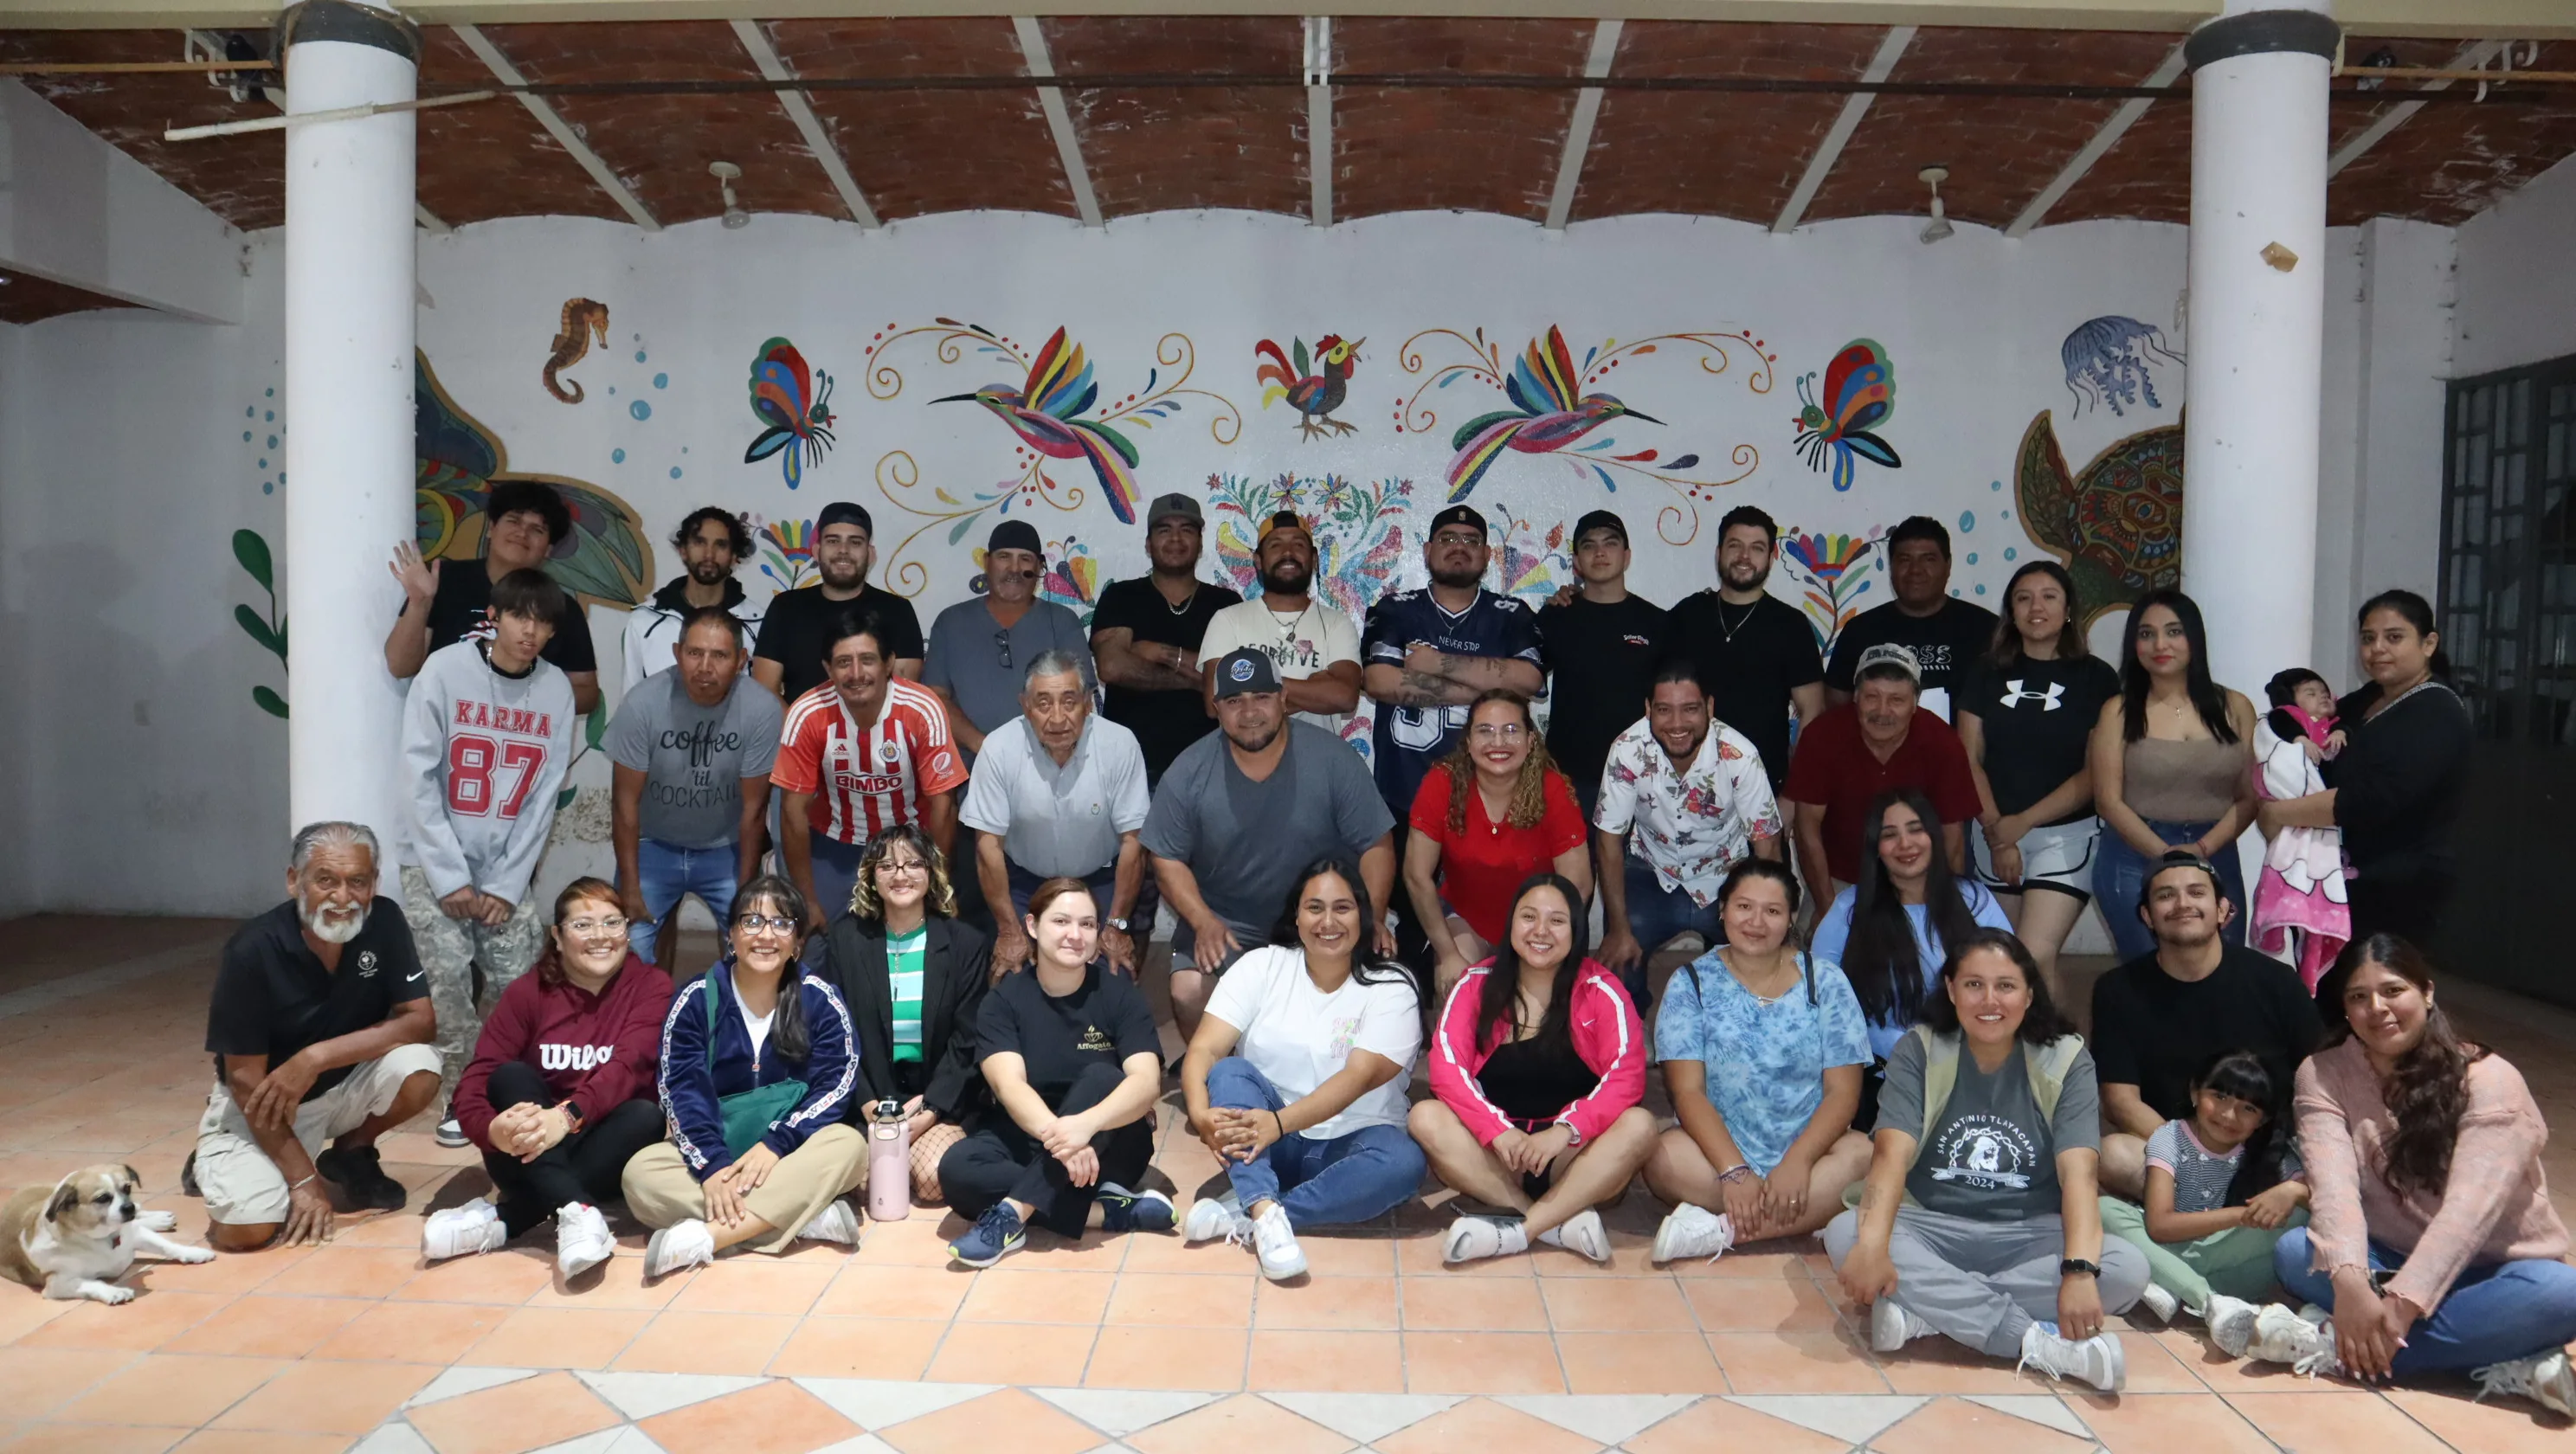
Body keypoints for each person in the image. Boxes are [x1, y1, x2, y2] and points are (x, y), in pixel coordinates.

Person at [2236, 936, 2576, 1413]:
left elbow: (2467, 1217)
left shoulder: (2489, 1078)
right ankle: (2504, 1356)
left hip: (2495, 1268)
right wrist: (2351, 1283)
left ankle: (2330, 1344)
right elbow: (2333, 1189)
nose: (2377, 1008)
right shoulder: (2323, 1073)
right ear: (2345, 1009)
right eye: (2359, 996)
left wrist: (2400, 1306)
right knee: (2296, 1252)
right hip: (2389, 1255)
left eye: (2393, 990)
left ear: (2427, 993)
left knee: (2562, 1294)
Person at [1823, 929, 2148, 1394]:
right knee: (1848, 1234)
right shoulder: (1920, 1049)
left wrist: (2078, 1271)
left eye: (2006, 986)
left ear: (2029, 995)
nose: (1989, 1000)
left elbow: (2079, 1175)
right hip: (1931, 1225)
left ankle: (1930, 1313)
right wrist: (1873, 1247)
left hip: (2031, 1232)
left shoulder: (2067, 1059)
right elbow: (1891, 1155)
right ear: (1951, 990)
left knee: (2126, 1268)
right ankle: (2036, 1342)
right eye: (1974, 984)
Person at [197, 823, 443, 1251]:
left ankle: (350, 1152)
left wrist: (314, 1058)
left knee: (420, 1067)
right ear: (295, 881)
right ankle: (222, 1153)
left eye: (357, 882)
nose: (342, 898)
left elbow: (420, 1021)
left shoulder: (384, 920)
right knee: (246, 1230)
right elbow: (244, 1079)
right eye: (325, 880)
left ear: (374, 884)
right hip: (267, 1104)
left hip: (342, 1085)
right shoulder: (252, 950)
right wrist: (304, 1182)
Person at [1178, 857, 1427, 1280]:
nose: (1328, 922)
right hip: (1267, 1143)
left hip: (1352, 1144)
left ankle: (1256, 1210)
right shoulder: (1261, 967)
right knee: (1230, 1072)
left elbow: (1358, 1078)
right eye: (1314, 908)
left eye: (1342, 908)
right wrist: (1200, 1112)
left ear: (1364, 916)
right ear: (1296, 915)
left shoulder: (1392, 986)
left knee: (1403, 1163)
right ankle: (1263, 1205)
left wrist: (1278, 1123)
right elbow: (1204, 1048)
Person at [399, 568, 576, 1145]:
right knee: (448, 984)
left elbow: (543, 796)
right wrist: (449, 877)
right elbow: (419, 777)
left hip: (505, 870)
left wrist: (504, 884)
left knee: (521, 981)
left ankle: (501, 1086)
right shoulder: (444, 670)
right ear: (494, 617)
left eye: (542, 623)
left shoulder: (555, 689)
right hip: (434, 865)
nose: (530, 632)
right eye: (520, 617)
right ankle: (460, 1098)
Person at [1144, 650, 1398, 1040]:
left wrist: (1372, 917)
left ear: (1283, 699)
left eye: (1261, 697)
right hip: (1226, 922)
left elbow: (1376, 844)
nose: (1249, 712)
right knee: (1189, 990)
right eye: (1234, 701)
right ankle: (1217, 1068)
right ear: (1216, 708)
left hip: (1318, 917)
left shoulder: (1334, 759)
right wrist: (1202, 921)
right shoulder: (1188, 771)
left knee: (1370, 994)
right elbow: (1165, 857)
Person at [427, 878, 673, 1276]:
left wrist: (566, 1116)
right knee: (510, 1076)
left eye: (613, 923)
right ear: (557, 936)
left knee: (645, 1116)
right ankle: (577, 1211)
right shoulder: (528, 992)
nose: (600, 936)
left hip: (603, 1150)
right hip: (523, 1150)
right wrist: (491, 1131)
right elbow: (477, 1078)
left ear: (628, 931)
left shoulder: (651, 987)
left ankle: (511, 1218)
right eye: (583, 925)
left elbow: (628, 1069)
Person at [623, 876, 866, 1277]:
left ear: (797, 943)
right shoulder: (695, 999)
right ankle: (801, 1216)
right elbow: (680, 1091)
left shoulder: (820, 999)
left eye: (782, 923)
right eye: (752, 922)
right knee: (640, 1175)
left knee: (849, 1146)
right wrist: (712, 1166)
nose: (766, 935)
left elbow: (836, 1083)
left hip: (789, 1156)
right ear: (731, 935)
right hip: (719, 1146)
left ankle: (708, 1237)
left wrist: (777, 1144)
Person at [1415, 873, 1653, 1266]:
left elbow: (1627, 1077)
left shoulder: (1602, 989)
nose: (1540, 931)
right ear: (1511, 923)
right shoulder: (1475, 985)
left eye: (1557, 921)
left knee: (1640, 1125)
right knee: (1425, 1116)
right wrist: (1498, 1132)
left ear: (1576, 931)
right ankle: (1549, 1223)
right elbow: (1446, 1070)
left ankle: (1519, 1232)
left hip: (1571, 1159)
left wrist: (1564, 1132)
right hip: (1496, 1158)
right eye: (1528, 917)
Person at [1644, 859, 1872, 1263]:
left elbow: (1843, 1093)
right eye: (1744, 907)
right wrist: (1734, 1171)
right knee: (1660, 1156)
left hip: (1810, 1155)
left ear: (1790, 919)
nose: (1756, 922)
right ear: (1722, 910)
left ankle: (1719, 1231)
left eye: (1772, 911)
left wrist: (1798, 1163)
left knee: (1863, 1155)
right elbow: (1687, 1093)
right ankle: (1801, 1213)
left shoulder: (1825, 981)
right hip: (1716, 1157)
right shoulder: (1691, 983)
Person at [941, 879, 1175, 1265]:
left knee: (1103, 1078)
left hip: (1109, 1141)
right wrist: (1065, 1141)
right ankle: (1106, 1213)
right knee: (956, 1170)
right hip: (1032, 1133)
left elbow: (1146, 1082)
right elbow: (1009, 1085)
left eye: (1087, 924)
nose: (1075, 935)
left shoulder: (1120, 996)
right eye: (1061, 921)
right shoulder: (1002, 1001)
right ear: (1033, 926)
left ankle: (1011, 1214)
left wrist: (1085, 1126)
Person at [2089, 852, 2321, 1200]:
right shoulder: (2117, 990)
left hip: (2268, 1150)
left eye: (2196, 893)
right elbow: (2120, 1101)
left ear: (2223, 910)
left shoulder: (2277, 981)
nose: (2182, 904)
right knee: (2112, 1155)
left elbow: (2318, 1075)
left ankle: (2222, 1208)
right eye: (2166, 895)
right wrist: (2200, 1154)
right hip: (2179, 1151)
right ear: (2147, 916)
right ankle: (2213, 1204)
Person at [2258, 590, 2472, 950]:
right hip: (2348, 877)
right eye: (2368, 638)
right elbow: (2309, 723)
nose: (2378, 649)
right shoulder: (2372, 696)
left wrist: (2276, 813)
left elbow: (2371, 798)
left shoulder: (2436, 711)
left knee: (2373, 979)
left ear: (2428, 643)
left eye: (2394, 637)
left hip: (2399, 888)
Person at [1955, 561, 2121, 990]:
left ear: (2068, 610)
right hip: (1992, 831)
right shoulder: (1985, 672)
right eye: (2024, 598)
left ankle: (2059, 1037)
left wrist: (2022, 823)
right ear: (2011, 611)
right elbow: (1968, 757)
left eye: (2049, 597)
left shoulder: (2097, 677)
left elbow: (2095, 771)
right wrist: (1999, 835)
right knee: (2002, 959)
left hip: (2067, 836)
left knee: (2033, 955)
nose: (2036, 607)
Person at [1809, 789, 2012, 1129]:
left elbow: (2011, 983)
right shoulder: (1848, 910)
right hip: (1879, 1076)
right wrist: (1902, 1051)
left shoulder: (1974, 900)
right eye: (1890, 835)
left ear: (1934, 835)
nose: (1905, 844)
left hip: (1970, 1068)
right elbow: (1818, 1000)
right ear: (1876, 848)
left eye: (1916, 830)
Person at [819, 826, 994, 1206]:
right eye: (887, 866)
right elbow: (833, 1035)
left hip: (938, 1097)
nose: (900, 875)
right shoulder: (845, 939)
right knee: (864, 1185)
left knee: (931, 1181)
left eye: (913, 864)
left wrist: (930, 1110)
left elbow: (967, 1040)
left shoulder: (965, 943)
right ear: (871, 877)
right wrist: (867, 1104)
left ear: (932, 872)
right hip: (866, 1098)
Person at [1594, 659, 1783, 1000]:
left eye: (1690, 709)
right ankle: (1632, 1024)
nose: (1677, 723)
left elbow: (1767, 846)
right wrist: (1619, 929)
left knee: (1756, 978)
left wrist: (1769, 919)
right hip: (1652, 870)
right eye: (1664, 710)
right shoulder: (1626, 750)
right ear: (1648, 709)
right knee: (1617, 967)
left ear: (1709, 707)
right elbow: (1609, 841)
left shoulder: (1740, 755)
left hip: (1727, 875)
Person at [773, 612, 967, 940]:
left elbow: (943, 807)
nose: (856, 674)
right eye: (843, 662)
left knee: (915, 941)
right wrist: (807, 898)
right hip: (835, 845)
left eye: (867, 660)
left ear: (888, 663)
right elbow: (792, 812)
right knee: (814, 941)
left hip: (911, 843)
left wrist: (937, 882)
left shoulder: (923, 709)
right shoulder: (806, 714)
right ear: (827, 668)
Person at [607, 607, 782, 967]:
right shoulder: (642, 703)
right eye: (694, 653)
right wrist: (630, 885)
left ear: (741, 660)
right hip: (652, 846)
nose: (705, 666)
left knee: (750, 950)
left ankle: (728, 1005)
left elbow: (753, 812)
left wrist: (745, 893)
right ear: (677, 653)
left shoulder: (762, 710)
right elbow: (624, 804)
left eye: (719, 655)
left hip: (726, 849)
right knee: (627, 951)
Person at [2088, 589, 2257, 961]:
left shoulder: (2236, 706)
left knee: (2223, 969)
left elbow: (2250, 797)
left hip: (2215, 851)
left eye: (2174, 631)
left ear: (2194, 637)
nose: (2160, 644)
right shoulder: (2117, 711)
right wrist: (2168, 855)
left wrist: (2201, 851)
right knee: (2149, 974)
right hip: (2133, 855)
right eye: (2146, 634)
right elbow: (2108, 802)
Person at [959, 650, 1150, 975]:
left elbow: (1134, 842)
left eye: (1069, 702)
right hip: (1024, 884)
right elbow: (987, 846)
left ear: (1088, 704)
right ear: (1025, 706)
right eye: (1044, 704)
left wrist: (1116, 924)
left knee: (1109, 978)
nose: (1058, 718)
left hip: (1099, 882)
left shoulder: (1120, 744)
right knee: (1012, 979)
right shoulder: (998, 748)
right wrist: (1009, 930)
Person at [2097, 1048, 2309, 1339]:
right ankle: (2208, 1300)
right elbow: (2159, 1226)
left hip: (2224, 1260)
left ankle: (2171, 1279)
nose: (2229, 1115)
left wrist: (2294, 1190)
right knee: (2104, 1210)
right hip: (2171, 1243)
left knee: (2298, 1213)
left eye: (2248, 1108)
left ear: (2262, 1120)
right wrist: (2243, 1215)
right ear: (2195, 1093)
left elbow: (2319, 1203)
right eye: (2219, 1097)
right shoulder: (2170, 1138)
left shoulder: (2270, 1154)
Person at [1359, 503, 1547, 832]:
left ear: (1487, 555)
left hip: (1490, 800)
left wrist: (1438, 663)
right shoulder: (1395, 609)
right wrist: (1487, 691)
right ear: (1427, 550)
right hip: (1403, 797)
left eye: (1471, 541)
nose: (1459, 547)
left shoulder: (1511, 614)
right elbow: (1378, 681)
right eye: (1447, 539)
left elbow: (1529, 679)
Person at [1404, 692, 1591, 995]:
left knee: (1532, 1006)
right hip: (1467, 917)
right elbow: (1416, 875)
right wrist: (1448, 954)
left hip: (1538, 922)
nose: (1498, 742)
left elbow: (1578, 884)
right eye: (1485, 731)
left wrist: (1543, 937)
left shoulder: (1553, 789)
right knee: (1457, 988)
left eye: (1511, 730)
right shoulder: (1441, 783)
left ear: (1531, 741)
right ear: (1468, 742)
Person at [1782, 645, 1980, 916]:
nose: (1882, 711)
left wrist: (1943, 906)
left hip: (1918, 880)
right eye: (1872, 697)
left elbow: (1952, 839)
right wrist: (1828, 907)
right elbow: (1807, 829)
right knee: (1818, 941)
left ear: (1915, 702)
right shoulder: (1822, 735)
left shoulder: (1943, 742)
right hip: (1837, 880)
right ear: (1855, 697)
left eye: (1896, 700)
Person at [388, 479, 601, 714]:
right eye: (514, 520)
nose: (522, 533)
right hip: (443, 730)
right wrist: (420, 602)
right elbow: (400, 667)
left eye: (537, 530)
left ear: (549, 549)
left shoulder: (561, 607)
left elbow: (587, 693)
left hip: (518, 734)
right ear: (491, 528)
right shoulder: (444, 580)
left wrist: (523, 697)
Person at [1663, 505, 1825, 788]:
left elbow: (1812, 711)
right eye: (1735, 545)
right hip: (1685, 787)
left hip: (1764, 786)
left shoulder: (1791, 625)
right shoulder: (1686, 616)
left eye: (1757, 548)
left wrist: (1794, 792)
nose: (1744, 557)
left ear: (1771, 558)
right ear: (1719, 553)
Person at [1089, 492, 1243, 782]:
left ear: (1200, 544)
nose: (1175, 539)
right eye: (1164, 530)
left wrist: (1160, 653)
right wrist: (1201, 680)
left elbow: (1233, 680)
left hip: (1211, 769)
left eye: (1187, 530)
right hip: (1130, 771)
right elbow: (1111, 667)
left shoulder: (1226, 604)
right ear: (1148, 544)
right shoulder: (1120, 596)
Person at [924, 518, 1098, 760]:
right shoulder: (950, 622)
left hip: (1050, 768)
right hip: (970, 770)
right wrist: (986, 748)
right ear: (987, 562)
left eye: (1025, 558)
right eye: (1004, 557)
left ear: (1039, 567)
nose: (1014, 569)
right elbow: (934, 699)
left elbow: (1080, 699)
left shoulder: (1062, 621)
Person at [1534, 510, 1666, 820]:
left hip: (1640, 779)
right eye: (1589, 545)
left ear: (1627, 556)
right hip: (1568, 779)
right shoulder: (1555, 617)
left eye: (1610, 543)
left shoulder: (1658, 623)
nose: (1600, 552)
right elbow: (1523, 680)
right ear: (1577, 562)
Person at [1196, 509, 1362, 735]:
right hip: (1244, 756)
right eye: (1275, 545)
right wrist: (1314, 688)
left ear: (1314, 559)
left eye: (1298, 544)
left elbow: (1345, 698)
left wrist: (1250, 687)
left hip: (1317, 755)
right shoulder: (1227, 620)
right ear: (1258, 560)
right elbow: (1214, 704)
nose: (1288, 552)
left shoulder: (1337, 624)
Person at [1823, 516, 1999, 720]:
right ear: (1891, 567)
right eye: (1905, 560)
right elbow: (1836, 713)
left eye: (1928, 559)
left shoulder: (1988, 629)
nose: (1915, 570)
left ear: (1948, 565)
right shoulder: (1860, 630)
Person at [753, 502, 924, 702]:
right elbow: (766, 694)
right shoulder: (785, 608)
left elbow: (902, 699)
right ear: (816, 551)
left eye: (855, 542)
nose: (843, 550)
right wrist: (803, 723)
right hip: (796, 722)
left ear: (870, 555)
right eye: (833, 541)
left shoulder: (898, 611)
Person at [2251, 667, 2351, 989]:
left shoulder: (2335, 725)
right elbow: (2279, 724)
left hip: (2330, 828)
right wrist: (2300, 739)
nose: (2321, 696)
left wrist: (2340, 732)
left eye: (2324, 691)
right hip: (2302, 821)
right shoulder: (2286, 720)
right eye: (2310, 693)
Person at [622, 505, 767, 697]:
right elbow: (630, 703)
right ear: (683, 550)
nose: (709, 554)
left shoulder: (759, 624)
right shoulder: (643, 622)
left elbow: (763, 704)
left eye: (721, 545)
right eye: (699, 542)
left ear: (734, 556)